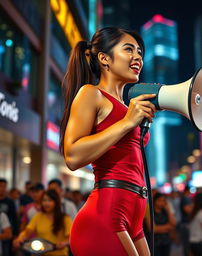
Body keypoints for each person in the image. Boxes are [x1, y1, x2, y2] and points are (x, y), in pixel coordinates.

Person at [59, 27, 156, 255]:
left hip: (133, 218)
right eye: (129, 49)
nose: (138, 57)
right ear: (104, 58)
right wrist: (126, 123)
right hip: (106, 215)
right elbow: (72, 156)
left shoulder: (128, 108)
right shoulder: (91, 94)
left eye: (140, 52)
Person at [13, 189, 72, 256]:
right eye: (44, 200)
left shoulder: (65, 218)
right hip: (39, 254)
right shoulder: (38, 216)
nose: (46, 203)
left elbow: (70, 237)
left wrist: (64, 243)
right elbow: (27, 232)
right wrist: (19, 239)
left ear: (56, 202)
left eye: (50, 200)